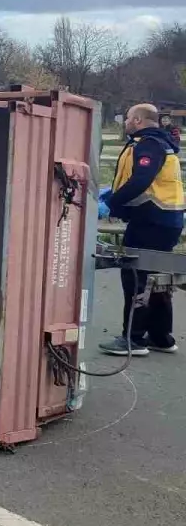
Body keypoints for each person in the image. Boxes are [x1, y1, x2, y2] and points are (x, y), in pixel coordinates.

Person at [99, 103, 184, 356]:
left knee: (136, 277)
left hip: (151, 220)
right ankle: (160, 337)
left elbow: (141, 180)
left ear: (137, 120)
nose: (124, 123)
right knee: (157, 280)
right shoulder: (162, 143)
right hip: (165, 221)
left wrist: (113, 202)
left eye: (127, 119)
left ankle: (133, 339)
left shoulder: (148, 144)